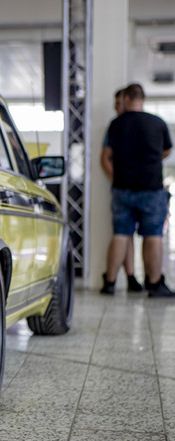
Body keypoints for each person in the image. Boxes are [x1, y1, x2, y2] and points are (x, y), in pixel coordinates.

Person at [100, 83, 174, 297]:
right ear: (142, 99)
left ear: (126, 99)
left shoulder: (115, 124)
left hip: (122, 188)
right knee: (153, 235)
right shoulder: (158, 123)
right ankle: (154, 284)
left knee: (121, 234)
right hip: (151, 188)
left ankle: (110, 283)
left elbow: (106, 156)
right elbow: (167, 151)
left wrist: (118, 177)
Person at [101, 89, 143, 292]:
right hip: (125, 188)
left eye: (119, 103)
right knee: (123, 234)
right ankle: (114, 279)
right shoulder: (116, 126)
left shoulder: (136, 125)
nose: (117, 107)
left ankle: (128, 276)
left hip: (132, 187)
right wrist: (118, 180)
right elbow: (105, 159)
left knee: (126, 234)